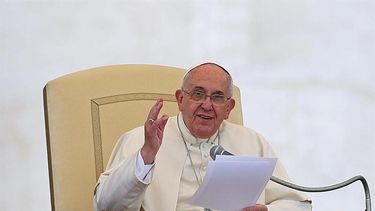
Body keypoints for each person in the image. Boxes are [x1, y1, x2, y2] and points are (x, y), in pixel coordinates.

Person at [93, 62, 312, 211]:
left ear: (229, 107)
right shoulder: (142, 140)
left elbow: (298, 204)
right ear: (180, 99)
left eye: (217, 97)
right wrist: (147, 155)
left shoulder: (251, 143)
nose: (206, 105)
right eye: (198, 94)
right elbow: (105, 205)